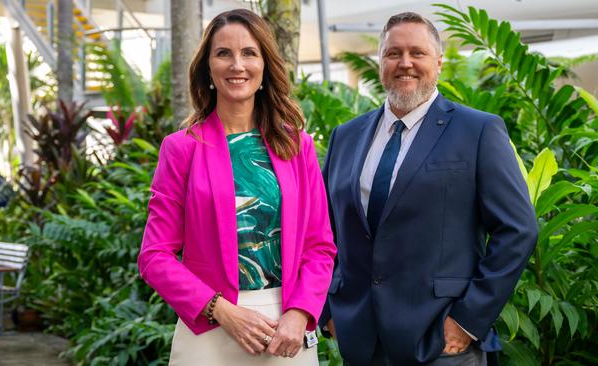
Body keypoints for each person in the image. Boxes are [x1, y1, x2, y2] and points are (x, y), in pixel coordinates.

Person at [320, 12, 538, 366]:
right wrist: (329, 306)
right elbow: (323, 229)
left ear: (438, 62)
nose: (405, 63)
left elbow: (518, 229)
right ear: (381, 62)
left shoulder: (478, 131)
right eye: (393, 53)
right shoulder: (346, 137)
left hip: (441, 341)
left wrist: (469, 320)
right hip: (361, 340)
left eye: (417, 53)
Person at [138, 9, 336, 366]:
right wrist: (221, 311)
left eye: (249, 53)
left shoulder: (297, 146)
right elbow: (155, 256)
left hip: (285, 330)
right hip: (209, 329)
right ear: (208, 69)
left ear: (264, 66)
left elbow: (320, 246)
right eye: (223, 53)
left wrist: (300, 313)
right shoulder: (181, 148)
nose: (237, 65)